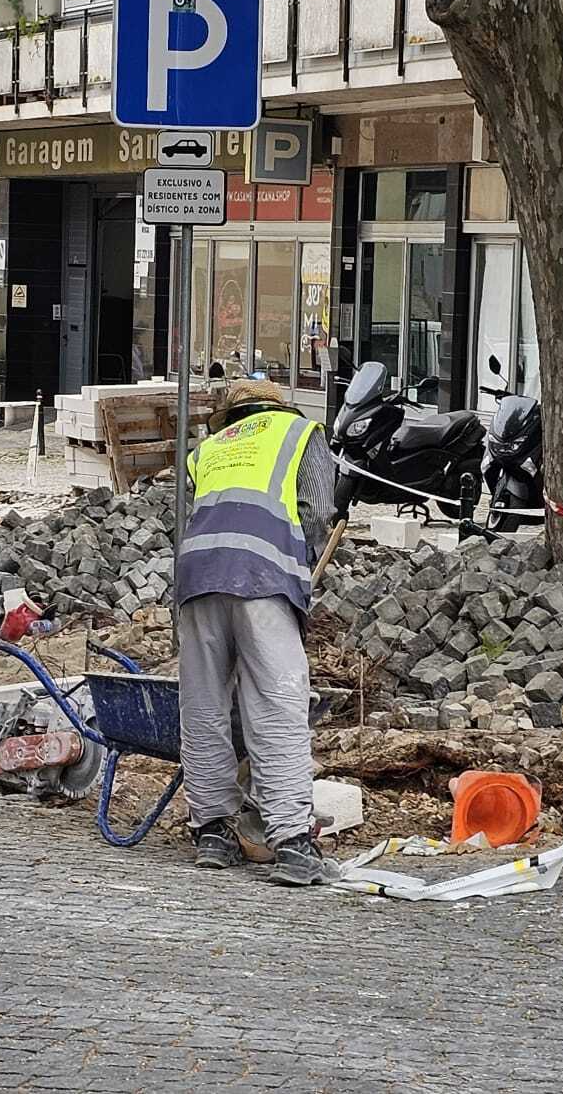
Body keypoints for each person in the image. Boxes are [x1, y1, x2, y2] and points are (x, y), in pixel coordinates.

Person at [177, 378, 338, 886]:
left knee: (203, 705)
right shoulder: (299, 433)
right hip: (262, 576)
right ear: (276, 407)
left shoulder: (208, 449)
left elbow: (192, 514)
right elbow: (316, 512)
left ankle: (213, 833)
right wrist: (296, 573)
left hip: (197, 576)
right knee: (278, 703)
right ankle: (292, 839)